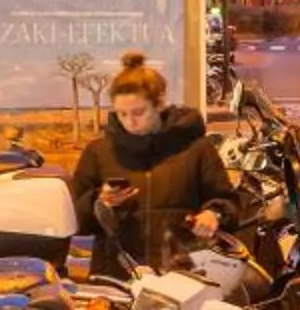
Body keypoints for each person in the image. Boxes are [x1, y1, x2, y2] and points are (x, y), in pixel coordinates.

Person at [69, 51, 237, 269]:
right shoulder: (98, 152)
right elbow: (76, 215)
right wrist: (101, 203)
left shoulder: (196, 149)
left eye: (139, 112)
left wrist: (214, 214)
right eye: (121, 114)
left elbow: (227, 202)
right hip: (120, 271)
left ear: (159, 105)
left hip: (184, 269)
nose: (130, 122)